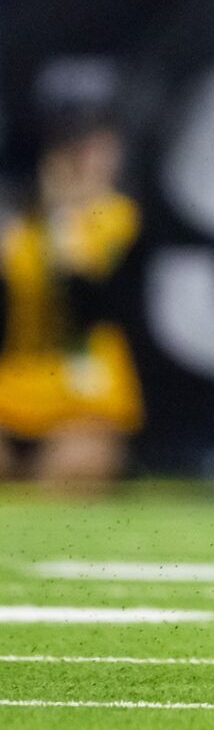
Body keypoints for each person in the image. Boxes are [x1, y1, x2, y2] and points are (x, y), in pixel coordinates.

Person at [0, 92, 143, 489]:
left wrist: (66, 236)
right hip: (13, 390)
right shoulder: (20, 224)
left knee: (76, 466)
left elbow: (100, 310)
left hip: (84, 399)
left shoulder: (119, 220)